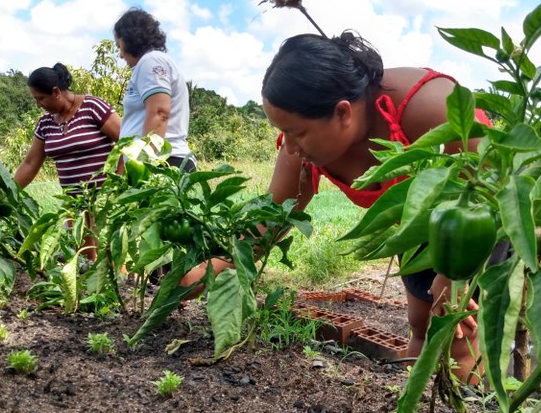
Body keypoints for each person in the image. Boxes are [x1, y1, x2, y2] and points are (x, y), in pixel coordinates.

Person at [185, 31, 490, 384]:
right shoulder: (302, 145)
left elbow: (489, 181)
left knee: (455, 330)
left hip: (477, 215)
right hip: (419, 221)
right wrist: (216, 266)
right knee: (421, 324)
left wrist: (454, 275)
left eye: (297, 133)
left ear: (343, 112)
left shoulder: (429, 105)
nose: (291, 147)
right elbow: (272, 219)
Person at [14, 63, 121, 260]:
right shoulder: (45, 123)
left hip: (105, 201)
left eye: (40, 98)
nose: (38, 104)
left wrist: (118, 185)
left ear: (56, 92)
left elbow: (126, 143)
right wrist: (7, 191)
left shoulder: (92, 107)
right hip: (75, 204)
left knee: (112, 259)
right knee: (86, 262)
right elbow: (30, 164)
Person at [113, 8, 195, 172]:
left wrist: (144, 164)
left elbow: (159, 113)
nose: (120, 55)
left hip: (162, 163)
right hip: (157, 162)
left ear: (129, 39)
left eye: (119, 45)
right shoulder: (148, 64)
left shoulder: (151, 61)